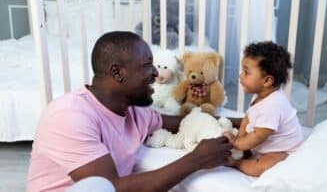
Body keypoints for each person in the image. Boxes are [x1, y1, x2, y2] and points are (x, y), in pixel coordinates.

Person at [27, 31, 237, 192]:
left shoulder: (132, 110)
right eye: (147, 65)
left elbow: (181, 122)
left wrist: (243, 122)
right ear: (118, 73)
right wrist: (197, 159)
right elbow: (112, 187)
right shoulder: (69, 116)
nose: (156, 72)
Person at [223, 41, 304, 177]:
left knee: (262, 166)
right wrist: (240, 137)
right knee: (247, 147)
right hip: (266, 146)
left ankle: (238, 164)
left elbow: (258, 135)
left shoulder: (273, 105)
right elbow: (248, 118)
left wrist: (238, 144)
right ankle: (247, 154)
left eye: (246, 72)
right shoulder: (261, 95)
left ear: (267, 81)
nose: (241, 76)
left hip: (284, 152)